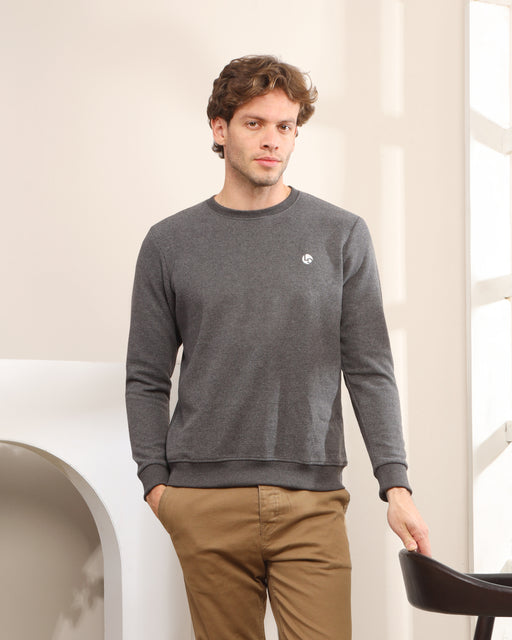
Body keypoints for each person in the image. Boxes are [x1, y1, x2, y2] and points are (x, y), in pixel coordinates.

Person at [126, 54, 431, 640]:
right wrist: (156, 484)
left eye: (285, 126)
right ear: (219, 128)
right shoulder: (169, 243)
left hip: (311, 500)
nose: (272, 140)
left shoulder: (340, 234)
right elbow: (146, 376)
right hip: (202, 500)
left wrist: (396, 485)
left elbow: (369, 369)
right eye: (255, 123)